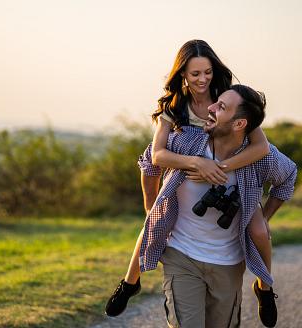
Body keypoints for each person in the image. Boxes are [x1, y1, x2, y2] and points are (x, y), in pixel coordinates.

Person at [105, 40, 271, 321]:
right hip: (179, 166)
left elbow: (261, 147)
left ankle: (265, 287)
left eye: (207, 72)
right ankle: (130, 283)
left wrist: (219, 167)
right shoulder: (174, 106)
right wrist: (197, 163)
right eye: (195, 74)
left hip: (231, 168)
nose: (202, 79)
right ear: (182, 73)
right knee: (153, 216)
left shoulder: (226, 98)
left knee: (259, 229)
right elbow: (158, 155)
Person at [138, 85, 297, 327]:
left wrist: (264, 217)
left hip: (228, 263)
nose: (210, 107)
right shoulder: (187, 142)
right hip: (182, 256)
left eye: (221, 107)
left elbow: (288, 177)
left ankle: (265, 288)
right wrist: (151, 207)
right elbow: (151, 158)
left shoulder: (260, 158)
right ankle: (129, 284)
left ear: (239, 124)